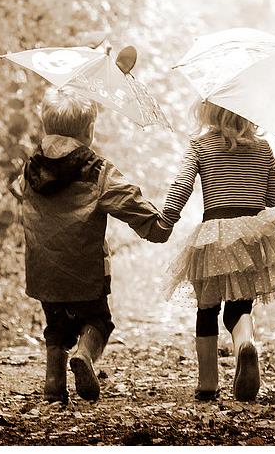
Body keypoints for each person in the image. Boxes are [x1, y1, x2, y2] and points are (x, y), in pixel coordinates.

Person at [11, 87, 170, 404]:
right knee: (98, 321)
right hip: (86, 271)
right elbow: (128, 200)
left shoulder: (31, 170)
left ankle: (54, 384)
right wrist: (156, 224)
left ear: (45, 128)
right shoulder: (97, 171)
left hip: (44, 272)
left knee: (56, 329)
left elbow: (17, 191)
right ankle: (84, 355)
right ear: (89, 131)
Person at [161, 99, 275, 401]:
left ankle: (207, 383)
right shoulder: (263, 149)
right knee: (240, 306)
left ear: (209, 110)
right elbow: (272, 198)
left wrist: (166, 220)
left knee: (207, 308)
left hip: (214, 234)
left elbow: (182, 186)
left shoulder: (200, 146)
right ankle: (244, 344)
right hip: (253, 235)